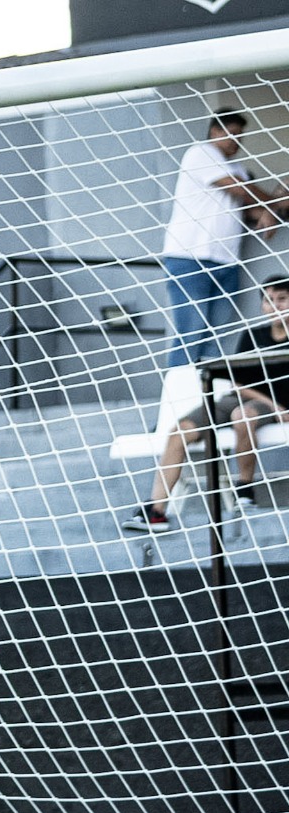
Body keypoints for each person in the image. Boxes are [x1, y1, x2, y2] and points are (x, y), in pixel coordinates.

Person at [126, 276, 289, 533]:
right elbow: (237, 384)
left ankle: (245, 491)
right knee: (180, 430)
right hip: (244, 399)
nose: (275, 305)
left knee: (243, 416)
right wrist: (271, 403)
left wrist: (278, 407)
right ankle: (156, 511)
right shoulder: (253, 335)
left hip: (263, 408)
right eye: (269, 300)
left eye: (282, 299)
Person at [161, 108, 279, 368]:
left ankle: (208, 391)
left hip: (227, 261)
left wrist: (269, 211)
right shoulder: (201, 153)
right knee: (190, 333)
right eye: (232, 134)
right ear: (215, 131)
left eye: (240, 135)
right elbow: (241, 190)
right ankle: (178, 391)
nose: (237, 141)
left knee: (215, 338)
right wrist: (275, 202)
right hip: (190, 257)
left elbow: (251, 209)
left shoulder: (239, 169)